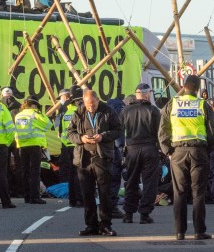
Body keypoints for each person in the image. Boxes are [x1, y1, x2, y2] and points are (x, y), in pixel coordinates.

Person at [159, 75, 214, 241]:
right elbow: (213, 133)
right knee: (198, 192)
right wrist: (207, 151)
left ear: (183, 87)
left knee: (179, 192)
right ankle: (199, 231)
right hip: (199, 151)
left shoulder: (172, 103)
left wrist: (168, 151)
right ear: (198, 89)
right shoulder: (202, 104)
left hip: (178, 152)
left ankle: (180, 232)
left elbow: (163, 129)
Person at [68, 90, 122, 237]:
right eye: (88, 105)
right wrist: (81, 138)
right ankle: (91, 225)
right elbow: (70, 133)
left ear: (98, 100)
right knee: (87, 194)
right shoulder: (78, 113)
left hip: (102, 156)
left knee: (105, 193)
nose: (91, 107)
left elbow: (118, 130)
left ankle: (105, 225)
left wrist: (103, 136)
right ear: (84, 103)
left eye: (93, 104)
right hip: (84, 158)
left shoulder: (108, 111)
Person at [119, 83, 161, 224]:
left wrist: (120, 148)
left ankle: (128, 213)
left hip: (132, 149)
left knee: (131, 181)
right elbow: (160, 133)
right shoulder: (153, 111)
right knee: (150, 182)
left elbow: (119, 131)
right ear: (147, 94)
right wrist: (162, 149)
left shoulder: (126, 111)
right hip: (150, 148)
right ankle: (144, 213)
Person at [13, 97, 51, 205]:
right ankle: (35, 197)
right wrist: (39, 118)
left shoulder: (19, 115)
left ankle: (27, 196)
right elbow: (48, 125)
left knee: (25, 171)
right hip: (34, 144)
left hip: (22, 145)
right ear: (34, 105)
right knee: (35, 172)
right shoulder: (35, 114)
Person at [48, 88, 82, 207]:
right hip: (77, 145)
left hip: (66, 144)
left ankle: (73, 199)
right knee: (78, 173)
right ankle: (79, 198)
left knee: (71, 173)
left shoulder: (66, 111)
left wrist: (64, 141)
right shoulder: (79, 112)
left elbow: (59, 128)